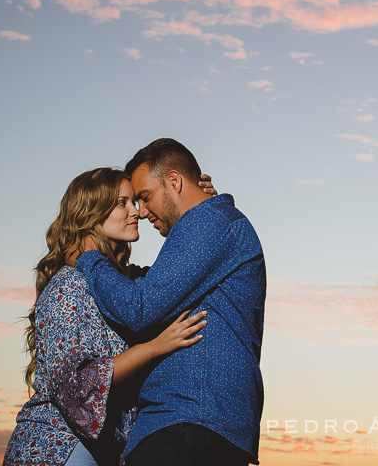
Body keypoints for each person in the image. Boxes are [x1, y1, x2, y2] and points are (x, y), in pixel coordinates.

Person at [3, 167, 215, 466]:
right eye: (123, 203)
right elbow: (76, 383)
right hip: (57, 448)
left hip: (104, 452)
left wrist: (198, 207)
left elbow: (180, 278)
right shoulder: (69, 284)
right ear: (91, 214)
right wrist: (154, 347)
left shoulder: (123, 287)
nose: (138, 212)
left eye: (136, 201)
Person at [73, 138, 266, 466]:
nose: (142, 212)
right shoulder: (218, 224)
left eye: (144, 197)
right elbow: (155, 291)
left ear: (174, 181)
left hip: (185, 423)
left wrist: (88, 257)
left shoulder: (207, 222)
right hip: (206, 423)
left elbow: (139, 309)